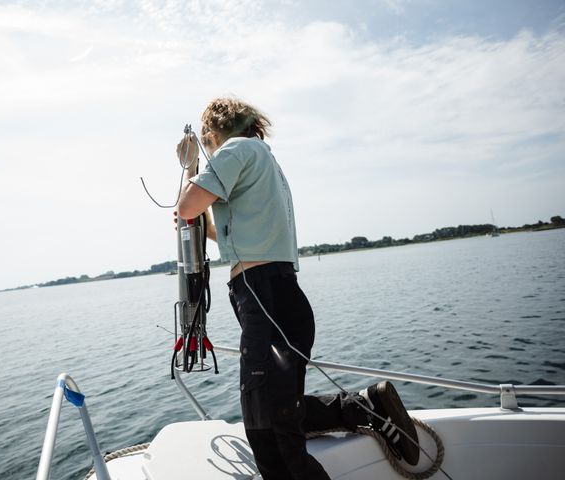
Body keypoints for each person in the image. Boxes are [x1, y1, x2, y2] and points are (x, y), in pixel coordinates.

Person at [175, 97, 419, 480]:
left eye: (207, 136)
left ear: (213, 131)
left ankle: (359, 409)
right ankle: (362, 407)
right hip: (276, 295)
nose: (207, 144)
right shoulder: (264, 159)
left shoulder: (236, 149)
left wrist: (190, 165)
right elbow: (213, 229)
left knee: (270, 433)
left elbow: (187, 207)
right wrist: (196, 196)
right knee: (273, 409)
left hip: (262, 295)